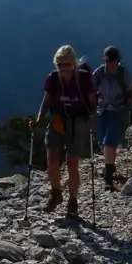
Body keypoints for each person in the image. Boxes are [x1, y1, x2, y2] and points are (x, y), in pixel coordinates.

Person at [28, 45, 97, 219]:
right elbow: (46, 101)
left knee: (72, 164)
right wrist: (39, 119)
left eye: (66, 64)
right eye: (59, 64)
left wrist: (92, 117)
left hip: (77, 122)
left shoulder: (83, 79)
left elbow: (92, 101)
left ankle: (73, 200)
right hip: (57, 121)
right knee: (51, 161)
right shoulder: (52, 79)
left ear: (74, 63)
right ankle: (56, 192)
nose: (63, 68)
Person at [92, 46, 132, 191]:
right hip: (101, 110)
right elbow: (90, 90)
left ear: (118, 60)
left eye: (113, 60)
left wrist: (129, 104)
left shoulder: (123, 74)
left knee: (108, 142)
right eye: (108, 60)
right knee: (103, 141)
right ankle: (111, 165)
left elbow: (129, 91)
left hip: (118, 110)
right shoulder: (98, 73)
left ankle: (108, 179)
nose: (110, 63)